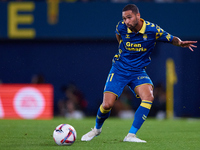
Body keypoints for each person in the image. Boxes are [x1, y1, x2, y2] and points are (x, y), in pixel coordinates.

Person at [81, 4, 197, 143]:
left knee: (148, 96)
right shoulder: (121, 27)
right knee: (107, 105)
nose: (126, 22)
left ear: (138, 15)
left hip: (138, 71)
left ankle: (131, 135)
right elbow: (119, 37)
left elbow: (171, 38)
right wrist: (124, 52)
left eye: (129, 17)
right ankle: (96, 129)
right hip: (119, 69)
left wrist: (180, 43)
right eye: (124, 18)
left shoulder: (152, 30)